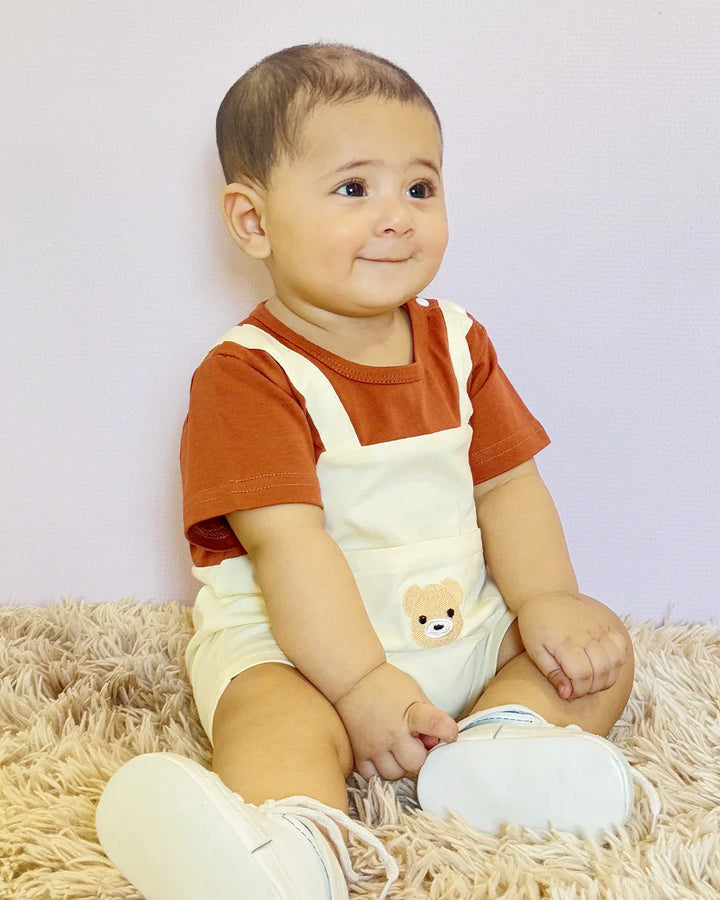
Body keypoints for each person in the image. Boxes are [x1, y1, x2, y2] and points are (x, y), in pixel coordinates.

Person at [95, 43, 658, 900]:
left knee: (596, 655)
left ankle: (500, 749)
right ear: (253, 222)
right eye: (355, 189)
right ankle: (288, 849)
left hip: (455, 628)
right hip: (305, 650)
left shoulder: (457, 341)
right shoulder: (247, 375)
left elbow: (507, 487)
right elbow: (290, 549)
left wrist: (546, 602)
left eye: (420, 187)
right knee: (275, 718)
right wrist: (358, 686)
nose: (397, 215)